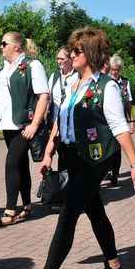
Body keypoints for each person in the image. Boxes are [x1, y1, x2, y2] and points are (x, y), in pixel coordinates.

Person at [14, 27, 135, 269]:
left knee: (69, 212)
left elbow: (119, 127)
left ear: (91, 54)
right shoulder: (72, 83)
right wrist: (49, 152)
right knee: (95, 211)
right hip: (71, 156)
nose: (71, 54)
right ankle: (114, 267)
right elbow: (60, 122)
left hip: (94, 159)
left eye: (77, 51)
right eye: (71, 50)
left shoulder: (106, 86)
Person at [0, 33, 49, 225]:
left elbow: (43, 96)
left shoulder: (33, 65)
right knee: (20, 165)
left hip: (23, 125)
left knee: (11, 163)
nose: (1, 46)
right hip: (7, 124)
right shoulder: (2, 69)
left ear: (16, 46)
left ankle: (10, 211)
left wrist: (34, 125)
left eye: (4, 43)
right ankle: (27, 206)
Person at [44, 46, 79, 209]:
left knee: (66, 157)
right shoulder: (54, 76)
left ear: (70, 60)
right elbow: (48, 98)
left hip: (69, 122)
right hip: (55, 120)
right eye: (57, 58)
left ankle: (66, 195)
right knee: (56, 155)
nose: (58, 61)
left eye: (62, 59)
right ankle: (59, 192)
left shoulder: (77, 76)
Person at [107, 54, 134, 186]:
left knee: (117, 148)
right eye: (112, 69)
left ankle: (115, 174)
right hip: (106, 120)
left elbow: (128, 103)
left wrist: (131, 121)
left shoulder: (125, 83)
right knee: (107, 146)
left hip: (120, 119)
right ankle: (107, 170)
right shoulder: (105, 81)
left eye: (117, 70)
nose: (114, 72)